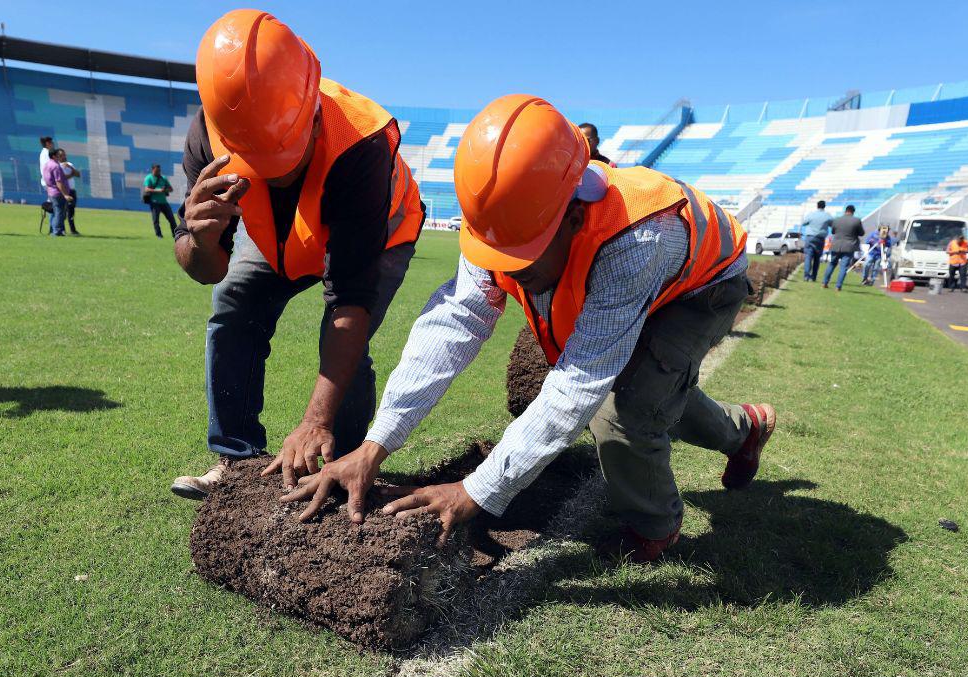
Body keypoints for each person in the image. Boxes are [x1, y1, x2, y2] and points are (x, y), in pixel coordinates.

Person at [284, 95, 775, 564]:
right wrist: (375, 445)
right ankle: (743, 430)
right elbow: (452, 327)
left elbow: (578, 382)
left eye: (524, 256)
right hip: (651, 275)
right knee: (658, 389)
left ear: (575, 217)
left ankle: (655, 526)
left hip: (704, 287)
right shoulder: (498, 217)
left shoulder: (635, 240)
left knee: (626, 406)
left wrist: (476, 491)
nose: (510, 272)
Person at [169, 10, 425, 501]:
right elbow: (207, 270)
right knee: (233, 303)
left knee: (347, 341)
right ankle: (236, 458)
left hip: (382, 230)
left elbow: (350, 299)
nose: (276, 174)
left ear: (315, 112)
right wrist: (200, 240)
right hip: (278, 233)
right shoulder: (210, 132)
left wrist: (315, 419)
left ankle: (338, 466)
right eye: (259, 160)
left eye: (284, 153)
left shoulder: (360, 142)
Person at [823, 205, 864, 292]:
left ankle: (825, 282)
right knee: (843, 267)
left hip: (836, 245)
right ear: (853, 212)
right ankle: (838, 286)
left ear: (845, 211)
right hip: (849, 246)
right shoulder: (856, 220)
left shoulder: (837, 220)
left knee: (832, 264)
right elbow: (861, 233)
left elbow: (833, 231)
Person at [799, 200, 832, 281]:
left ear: (817, 206)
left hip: (810, 237)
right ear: (824, 206)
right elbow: (832, 224)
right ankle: (813, 276)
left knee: (808, 256)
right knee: (817, 258)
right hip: (820, 238)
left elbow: (803, 223)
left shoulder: (811, 214)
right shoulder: (827, 215)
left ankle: (806, 276)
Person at [42, 148, 72, 237]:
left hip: (51, 191)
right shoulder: (56, 166)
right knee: (59, 212)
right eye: (58, 155)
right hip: (58, 193)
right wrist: (65, 194)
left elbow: (46, 179)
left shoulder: (47, 164)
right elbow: (58, 182)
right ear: (54, 156)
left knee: (56, 212)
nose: (59, 157)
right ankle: (57, 231)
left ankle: (57, 230)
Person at [143, 164, 177, 238]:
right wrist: (158, 190)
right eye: (157, 170)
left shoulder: (163, 178)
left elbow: (171, 189)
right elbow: (146, 189)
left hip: (164, 202)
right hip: (154, 202)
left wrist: (165, 190)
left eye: (159, 170)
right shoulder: (149, 178)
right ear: (153, 170)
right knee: (156, 220)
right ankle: (159, 235)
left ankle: (175, 234)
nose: (158, 172)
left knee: (171, 219)